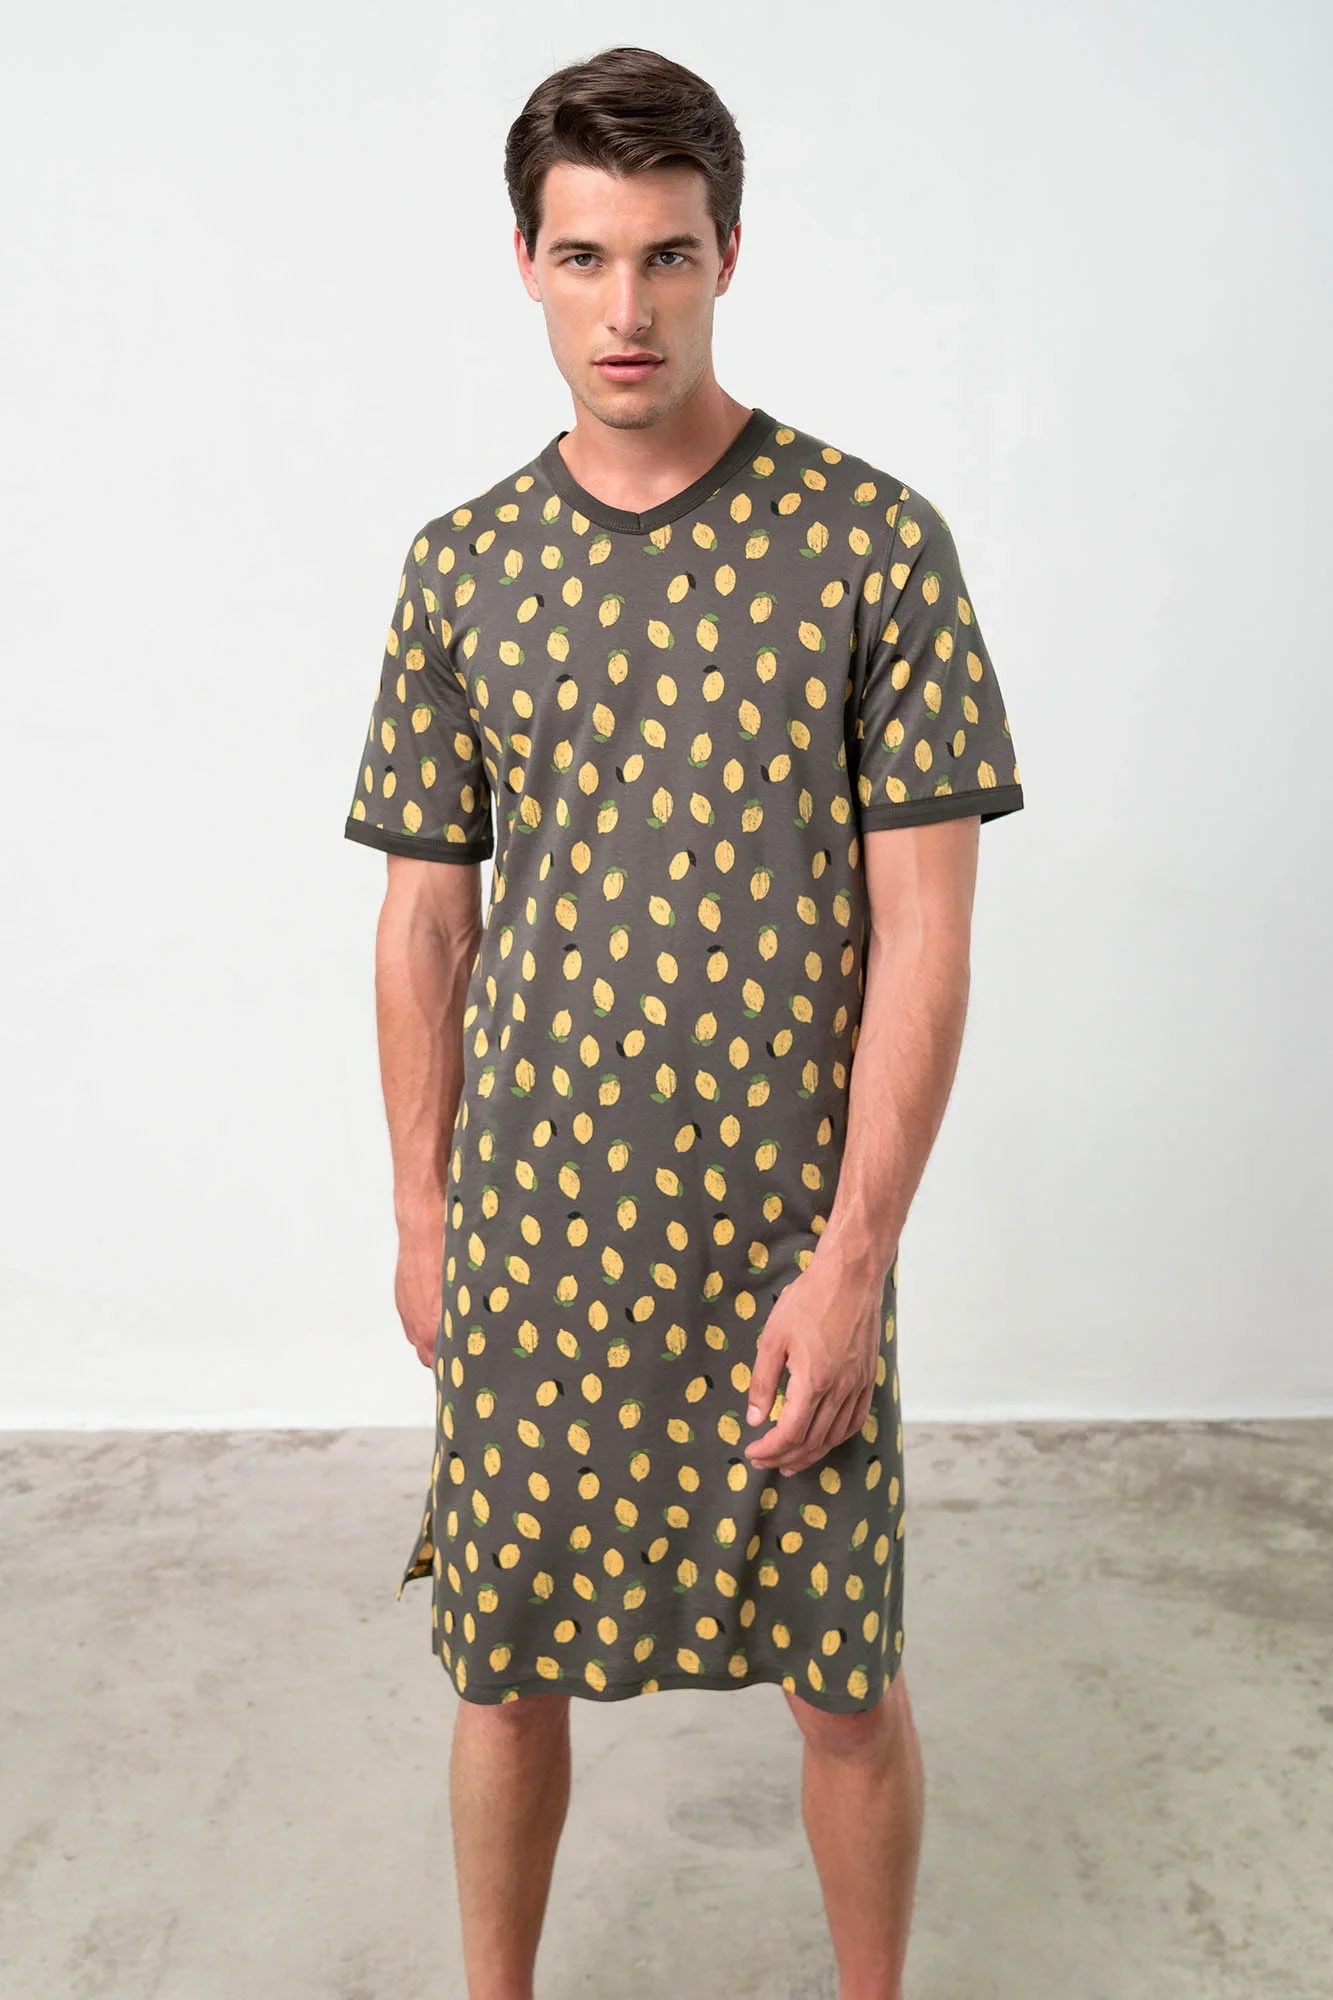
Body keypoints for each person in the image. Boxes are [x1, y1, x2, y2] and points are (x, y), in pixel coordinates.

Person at [343, 42, 1025, 2000]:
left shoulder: (872, 544)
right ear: (525, 264)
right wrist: (422, 1213)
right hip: (537, 1232)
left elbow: (927, 938)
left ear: (730, 253)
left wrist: (856, 1260)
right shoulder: (462, 568)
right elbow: (424, 925)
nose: (625, 307)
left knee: (843, 1681)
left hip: (784, 1240)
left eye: (665, 254)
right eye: (583, 257)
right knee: (502, 1665)